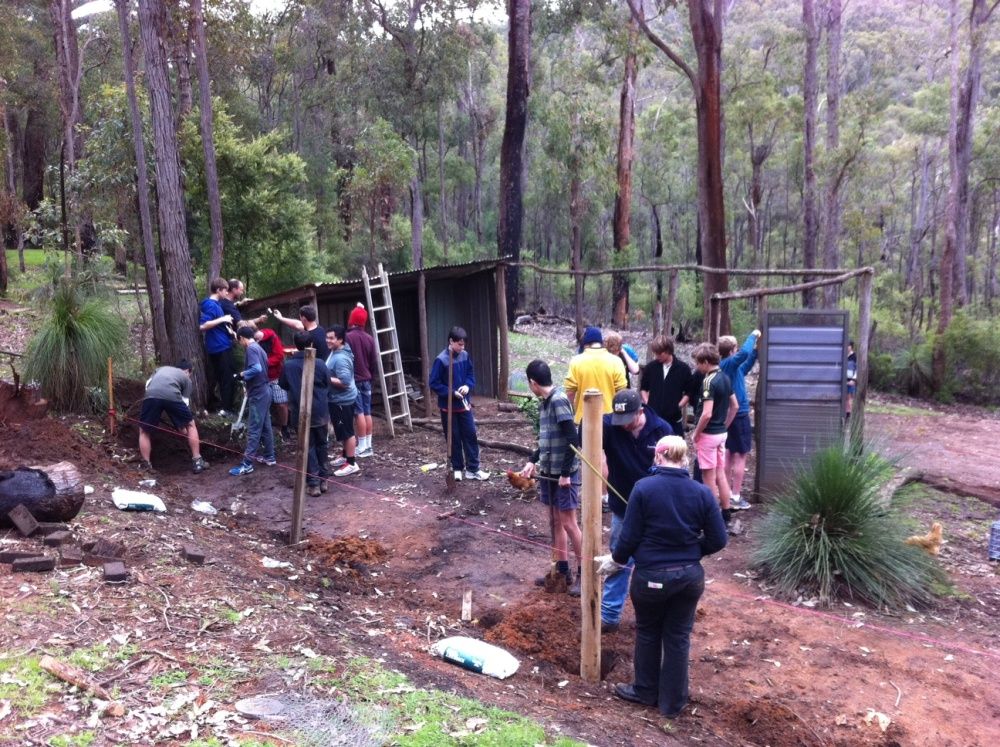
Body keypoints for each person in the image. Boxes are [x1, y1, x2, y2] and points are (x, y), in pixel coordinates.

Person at [598, 435, 727, 718]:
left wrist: (616, 560)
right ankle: (673, 704)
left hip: (651, 577)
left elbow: (629, 537)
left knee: (648, 630)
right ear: (685, 459)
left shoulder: (644, 488)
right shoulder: (702, 493)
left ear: (658, 457)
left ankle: (645, 691)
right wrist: (692, 552)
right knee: (678, 636)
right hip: (689, 579)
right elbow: (719, 539)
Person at [600, 388, 674, 633]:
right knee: (618, 559)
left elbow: (672, 470)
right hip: (623, 509)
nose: (623, 425)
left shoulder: (662, 430)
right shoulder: (610, 426)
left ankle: (654, 616)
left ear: (640, 411)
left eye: (628, 419)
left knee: (653, 563)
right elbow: (584, 435)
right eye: (618, 419)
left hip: (654, 512)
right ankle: (609, 616)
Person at [519, 359, 583, 597]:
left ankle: (584, 573)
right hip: (548, 472)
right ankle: (562, 570)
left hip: (563, 474)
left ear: (533, 382)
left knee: (569, 523)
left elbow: (573, 440)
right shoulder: (544, 403)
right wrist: (532, 460)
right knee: (556, 521)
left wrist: (566, 473)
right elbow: (545, 440)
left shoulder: (558, 400)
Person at [428, 326, 489, 481]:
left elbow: (470, 373)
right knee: (453, 437)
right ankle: (457, 468)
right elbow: (434, 383)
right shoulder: (441, 360)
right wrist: (450, 392)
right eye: (459, 344)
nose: (462, 347)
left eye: (463, 344)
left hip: (464, 405)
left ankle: (473, 469)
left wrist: (468, 385)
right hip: (448, 407)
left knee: (470, 434)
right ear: (451, 341)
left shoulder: (465, 356)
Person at [690, 343, 738, 526]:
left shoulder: (708, 381)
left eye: (698, 363)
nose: (697, 367)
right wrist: (725, 425)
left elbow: (706, 414)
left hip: (708, 435)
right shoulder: (725, 378)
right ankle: (726, 514)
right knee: (720, 474)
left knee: (708, 477)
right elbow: (735, 406)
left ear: (705, 362)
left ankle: (713, 520)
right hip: (721, 434)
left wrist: (696, 433)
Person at [280, 331, 331, 496]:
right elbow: (328, 382)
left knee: (307, 447)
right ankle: (323, 480)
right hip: (320, 411)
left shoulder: (288, 365)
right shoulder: (320, 363)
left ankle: (314, 483)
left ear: (296, 345)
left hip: (300, 412)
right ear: (312, 344)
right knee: (322, 444)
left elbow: (283, 384)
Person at [138, 360, 208, 474]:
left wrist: (155, 407)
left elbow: (148, 385)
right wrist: (181, 427)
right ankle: (197, 461)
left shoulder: (160, 369)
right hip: (172, 396)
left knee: (144, 430)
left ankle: (146, 465)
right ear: (189, 372)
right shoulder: (187, 380)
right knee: (191, 425)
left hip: (151, 395)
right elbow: (184, 404)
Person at [718, 330, 761, 511]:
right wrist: (753, 335)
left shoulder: (730, 367)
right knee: (740, 455)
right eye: (735, 348)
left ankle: (726, 492)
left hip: (731, 415)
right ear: (732, 350)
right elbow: (744, 354)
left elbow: (745, 365)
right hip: (738, 415)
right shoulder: (728, 363)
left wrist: (756, 351)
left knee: (729, 453)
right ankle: (735, 496)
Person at [229, 327, 276, 476]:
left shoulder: (251, 349)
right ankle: (269, 456)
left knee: (254, 428)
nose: (240, 343)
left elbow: (256, 368)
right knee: (265, 426)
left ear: (242, 338)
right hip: (265, 390)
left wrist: (242, 374)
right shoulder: (260, 348)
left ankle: (247, 464)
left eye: (239, 340)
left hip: (259, 394)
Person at [564, 326, 628, 424]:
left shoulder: (576, 361)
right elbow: (622, 393)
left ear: (585, 344)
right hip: (609, 420)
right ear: (601, 343)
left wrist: (571, 413)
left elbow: (570, 393)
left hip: (583, 420)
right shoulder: (616, 361)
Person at [640, 335, 693, 438]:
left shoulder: (683, 369)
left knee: (675, 446)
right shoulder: (651, 367)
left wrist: (678, 406)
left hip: (674, 420)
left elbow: (689, 392)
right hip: (654, 419)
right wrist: (648, 403)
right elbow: (643, 388)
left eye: (660, 353)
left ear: (668, 350)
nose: (657, 356)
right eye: (655, 353)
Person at [326, 325, 361, 477]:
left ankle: (351, 463)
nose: (328, 340)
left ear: (340, 340)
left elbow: (344, 382)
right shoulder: (338, 350)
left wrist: (325, 378)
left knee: (347, 432)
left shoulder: (340, 358)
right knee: (343, 430)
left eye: (331, 338)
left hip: (342, 400)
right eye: (327, 337)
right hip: (338, 399)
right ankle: (345, 455)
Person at [345, 303, 378, 458]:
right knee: (367, 412)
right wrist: (371, 376)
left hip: (355, 380)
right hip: (367, 379)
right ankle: (369, 445)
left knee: (358, 413)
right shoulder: (370, 338)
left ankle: (363, 446)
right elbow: (373, 361)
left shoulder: (347, 337)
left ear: (351, 320)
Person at [198, 278, 235, 415]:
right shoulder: (211, 305)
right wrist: (223, 319)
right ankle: (226, 409)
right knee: (227, 378)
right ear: (218, 290)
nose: (227, 292)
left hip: (220, 344)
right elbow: (203, 325)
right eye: (225, 290)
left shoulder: (216, 305)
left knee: (221, 377)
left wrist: (229, 331)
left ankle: (219, 405)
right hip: (220, 346)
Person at [255, 325, 290, 441]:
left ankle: (284, 427)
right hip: (261, 377)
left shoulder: (272, 337)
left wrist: (264, 363)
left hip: (275, 376)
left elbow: (279, 355)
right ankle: (265, 430)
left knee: (281, 403)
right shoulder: (250, 343)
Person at [845, 340, 857, 424]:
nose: (847, 347)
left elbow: (857, 369)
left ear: (851, 346)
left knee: (849, 398)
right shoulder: (843, 355)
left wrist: (853, 379)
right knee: (845, 398)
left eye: (848, 345)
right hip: (844, 380)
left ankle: (848, 416)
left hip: (850, 380)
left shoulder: (854, 356)